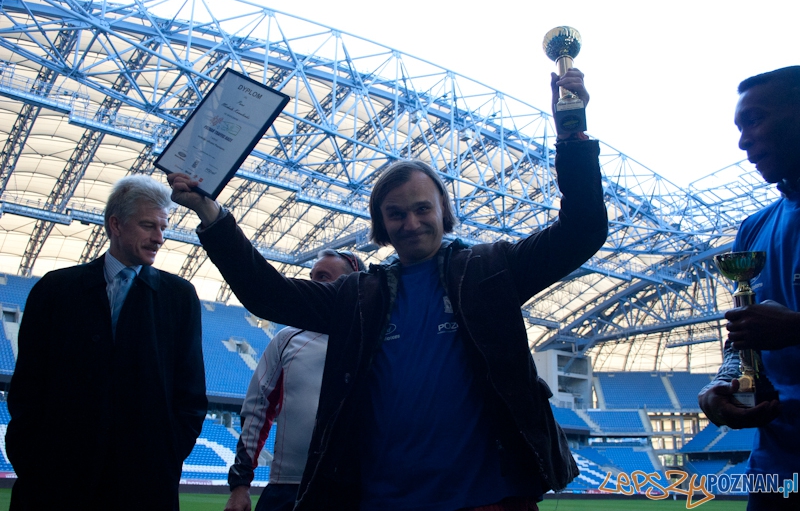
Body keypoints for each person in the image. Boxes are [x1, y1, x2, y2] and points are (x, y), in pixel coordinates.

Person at [170, 69, 607, 511]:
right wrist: (211, 214)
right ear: (382, 225)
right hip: (383, 499)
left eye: (422, 209)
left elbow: (582, 230)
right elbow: (268, 294)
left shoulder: (490, 270)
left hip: (490, 497)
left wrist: (572, 132)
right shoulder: (359, 296)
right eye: (396, 214)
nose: (412, 223)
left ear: (443, 210)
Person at [6, 175, 207, 511]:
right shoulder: (55, 290)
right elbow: (28, 386)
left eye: (163, 227)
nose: (159, 238)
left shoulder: (180, 297)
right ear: (116, 224)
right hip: (56, 484)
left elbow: (190, 394)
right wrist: (34, 460)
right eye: (148, 226)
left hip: (144, 486)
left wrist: (165, 456)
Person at [698, 66, 800, 510]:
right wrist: (721, 387)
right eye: (739, 127)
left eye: (755, 120)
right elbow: (743, 341)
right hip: (777, 463)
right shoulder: (754, 230)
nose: (743, 142)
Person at [225, 249, 365, 511]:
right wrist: (240, 485)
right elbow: (256, 411)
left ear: (353, 282)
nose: (312, 285)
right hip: (288, 488)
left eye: (322, 277)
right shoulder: (287, 339)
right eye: (310, 277)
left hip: (356, 488)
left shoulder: (377, 339)